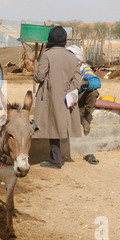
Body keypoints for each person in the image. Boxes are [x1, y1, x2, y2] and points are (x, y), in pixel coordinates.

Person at [33, 26, 82, 169]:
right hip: (66, 97)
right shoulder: (72, 56)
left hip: (50, 97)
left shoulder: (47, 54)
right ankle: (56, 158)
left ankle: (55, 160)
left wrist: (36, 75)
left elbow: (39, 76)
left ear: (51, 39)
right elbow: (77, 80)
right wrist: (67, 90)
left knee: (51, 126)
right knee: (58, 125)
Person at [66, 45, 101, 135]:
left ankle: (85, 116)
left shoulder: (85, 70)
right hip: (67, 99)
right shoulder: (64, 70)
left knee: (93, 92)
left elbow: (97, 82)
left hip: (80, 98)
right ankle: (79, 117)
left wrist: (85, 83)